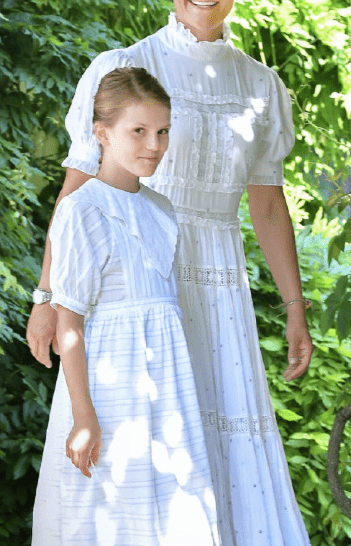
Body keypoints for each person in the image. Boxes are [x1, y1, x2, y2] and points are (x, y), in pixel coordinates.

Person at [26, 0, 313, 545]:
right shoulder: (125, 67)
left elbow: (267, 206)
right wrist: (47, 297)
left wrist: (295, 308)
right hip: (131, 276)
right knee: (131, 436)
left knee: (218, 433)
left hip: (218, 285)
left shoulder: (261, 86)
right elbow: (78, 188)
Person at [32, 67, 219, 545]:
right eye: (138, 131)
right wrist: (83, 415)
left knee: (170, 505)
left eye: (162, 132)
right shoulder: (82, 207)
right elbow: (69, 321)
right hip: (110, 384)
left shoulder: (161, 209)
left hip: (164, 385)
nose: (153, 144)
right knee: (109, 508)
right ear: (102, 132)